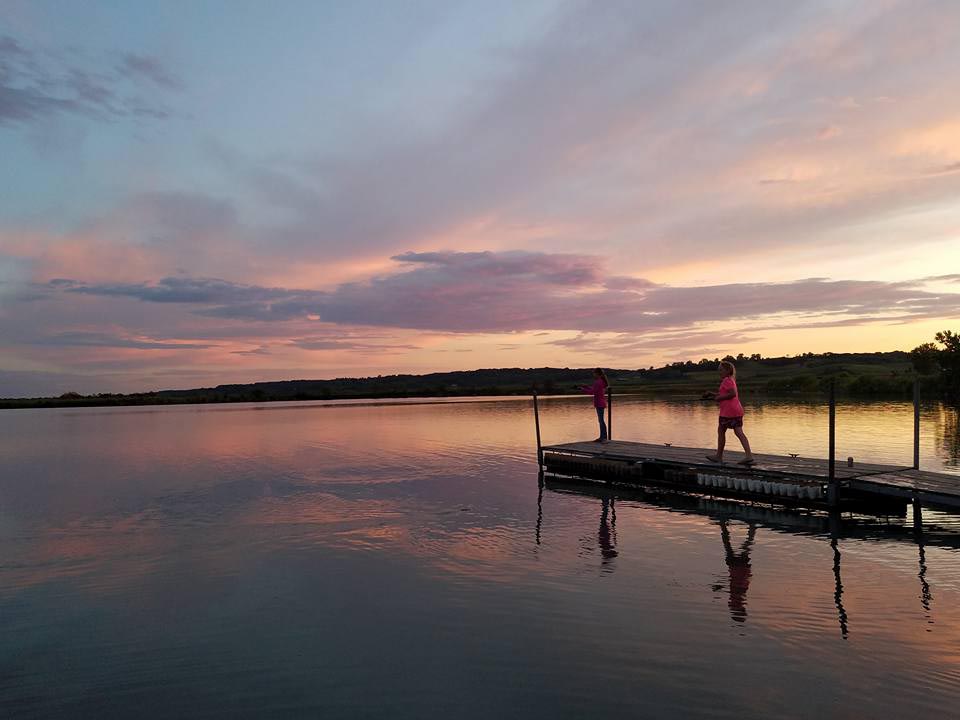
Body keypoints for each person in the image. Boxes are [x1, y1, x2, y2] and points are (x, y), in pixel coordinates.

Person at [703, 360, 755, 465]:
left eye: (721, 370)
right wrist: (712, 395)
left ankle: (718, 456)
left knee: (722, 431)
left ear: (727, 370)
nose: (719, 372)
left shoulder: (727, 380)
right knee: (738, 432)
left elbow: (732, 394)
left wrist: (718, 398)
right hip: (735, 410)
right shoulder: (730, 380)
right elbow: (724, 394)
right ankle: (749, 456)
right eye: (719, 370)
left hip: (728, 412)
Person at [580, 368, 609, 442]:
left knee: (601, 420)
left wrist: (582, 389)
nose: (593, 375)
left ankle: (604, 437)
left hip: (599, 403)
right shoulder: (600, 381)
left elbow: (592, 392)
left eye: (594, 373)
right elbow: (594, 389)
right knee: (601, 420)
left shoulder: (598, 382)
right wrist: (586, 387)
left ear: (597, 374)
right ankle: (603, 437)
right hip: (600, 403)